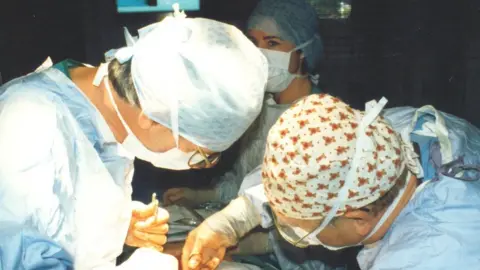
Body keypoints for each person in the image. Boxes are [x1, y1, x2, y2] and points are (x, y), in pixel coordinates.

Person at [0, 6, 268, 269]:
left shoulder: (112, 111)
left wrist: (114, 227)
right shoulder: (29, 128)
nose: (194, 162)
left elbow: (58, 217)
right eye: (199, 152)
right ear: (152, 118)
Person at [181, 94, 480, 270]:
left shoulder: (432, 257)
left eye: (299, 231)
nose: (292, 233)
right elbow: (314, 171)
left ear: (357, 218)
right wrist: (234, 219)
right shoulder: (386, 135)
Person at [164, 0, 323, 208]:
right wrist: (202, 195)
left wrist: (256, 237)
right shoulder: (259, 106)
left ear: (303, 51)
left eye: (272, 43)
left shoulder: (320, 120)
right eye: (253, 43)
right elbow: (243, 180)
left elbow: (300, 205)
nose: (260, 53)